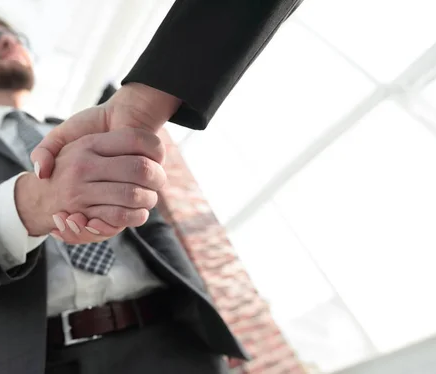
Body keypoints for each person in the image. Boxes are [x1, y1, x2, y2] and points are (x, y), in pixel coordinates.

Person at [0, 13, 248, 374]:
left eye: (18, 39)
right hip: (19, 358)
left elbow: (154, 227)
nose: (9, 41)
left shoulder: (88, 128)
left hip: (170, 343)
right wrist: (25, 206)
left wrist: (210, 322)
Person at [31, 0, 304, 235]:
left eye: (20, 38)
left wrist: (140, 105)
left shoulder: (79, 130)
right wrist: (35, 203)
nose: (7, 42)